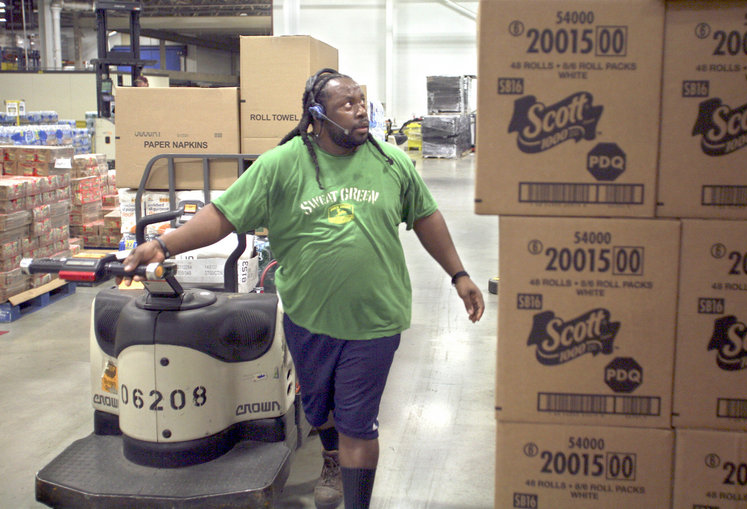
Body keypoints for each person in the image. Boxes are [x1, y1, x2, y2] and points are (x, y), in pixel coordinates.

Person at [119, 68, 485, 509]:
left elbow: (426, 216)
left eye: (361, 101)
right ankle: (331, 453)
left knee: (357, 424)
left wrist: (458, 274)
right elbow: (224, 215)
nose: (360, 111)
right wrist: (162, 243)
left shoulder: (392, 161)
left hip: (376, 318)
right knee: (319, 407)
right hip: (308, 316)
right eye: (346, 105)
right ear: (317, 116)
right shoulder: (283, 164)